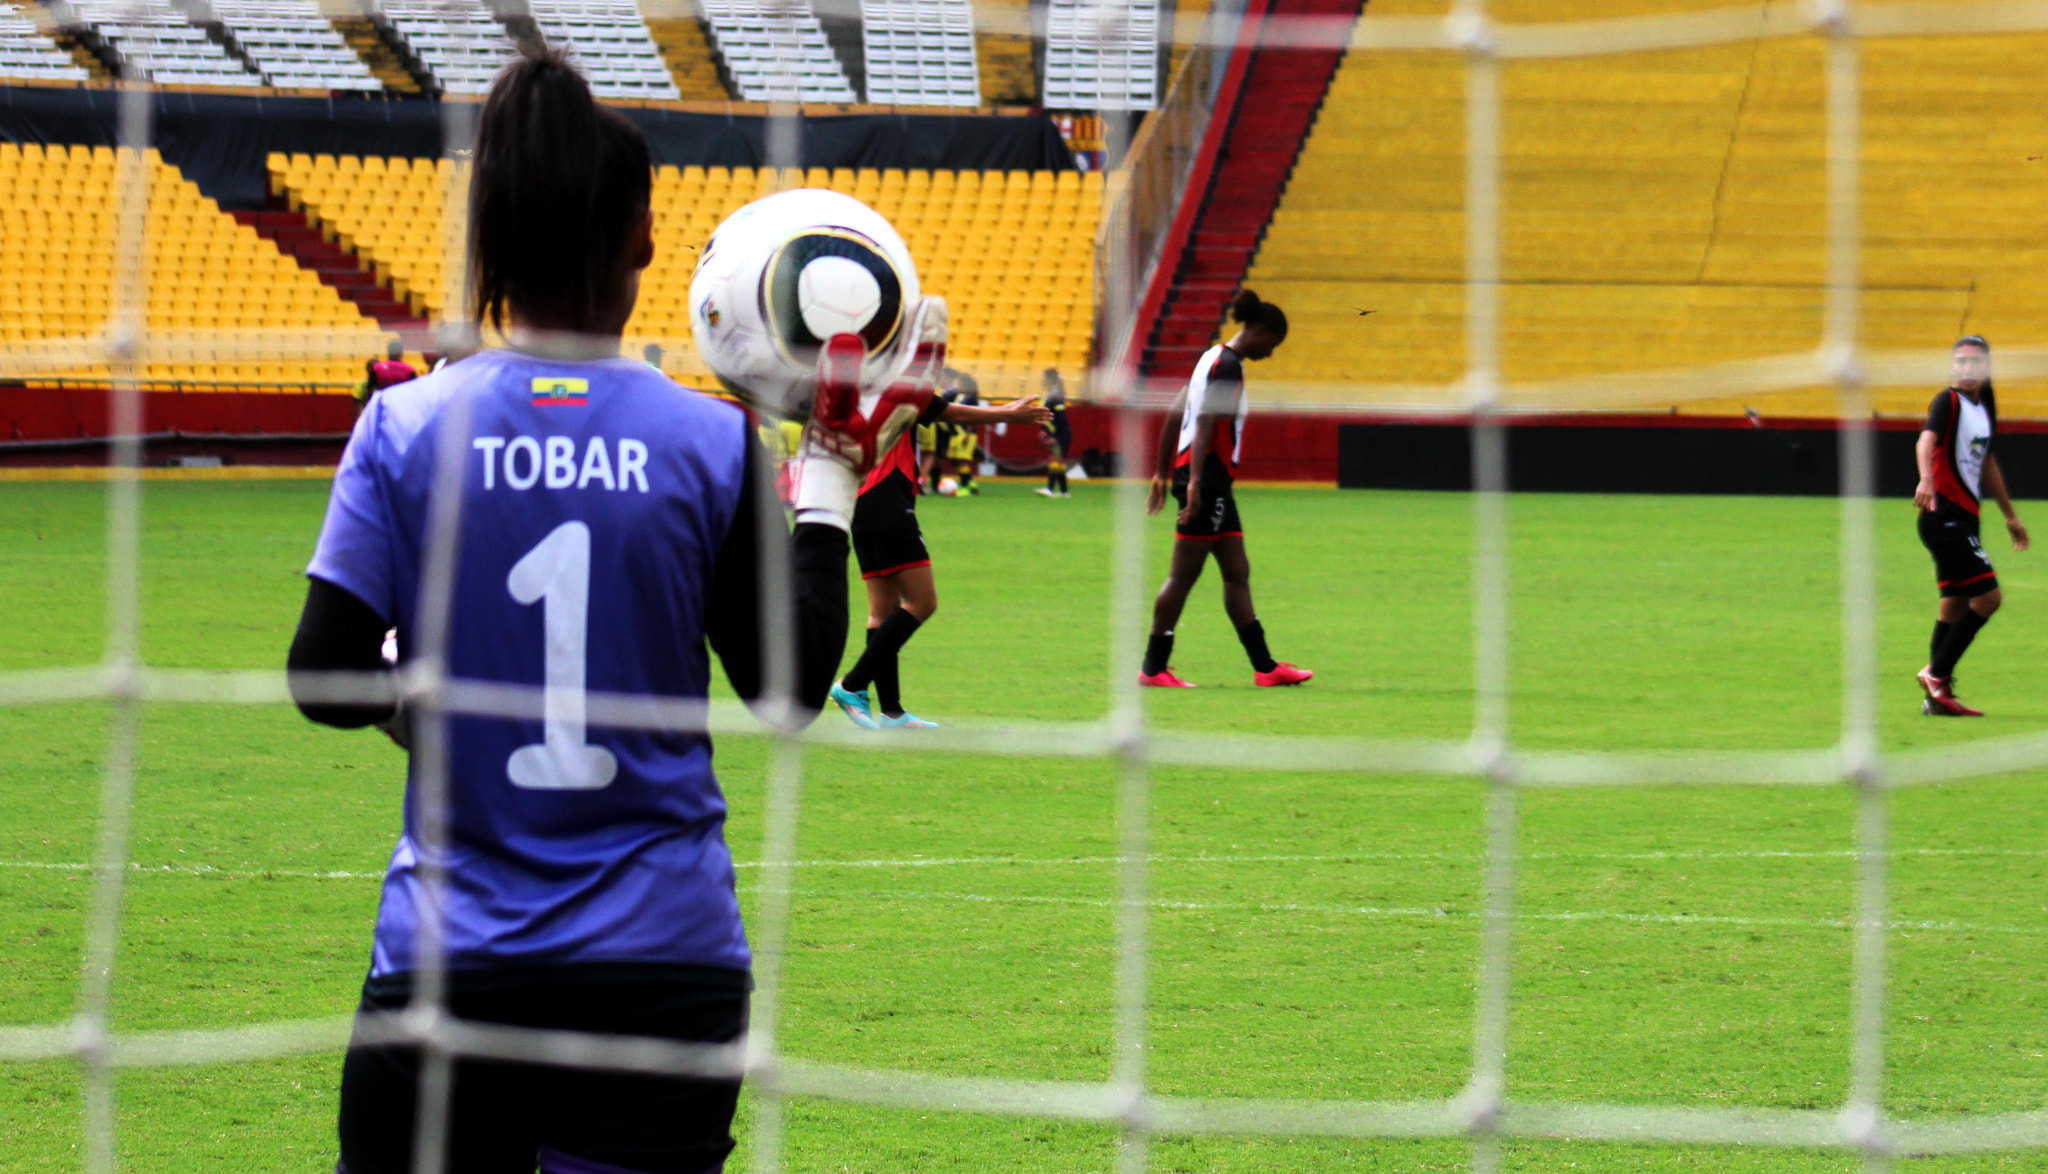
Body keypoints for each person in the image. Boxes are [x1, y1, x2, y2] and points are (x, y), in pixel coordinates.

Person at [286, 53, 865, 1174]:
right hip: (659, 964)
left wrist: (418, 691)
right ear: (647, 242)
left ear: (490, 235)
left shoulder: (404, 425)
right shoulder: (708, 442)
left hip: (453, 963)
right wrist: (832, 477)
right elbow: (788, 692)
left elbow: (323, 673)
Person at [831, 388, 1050, 728]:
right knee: (922, 602)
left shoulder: (856, 387)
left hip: (860, 499)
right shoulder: (898, 383)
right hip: (889, 498)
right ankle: (853, 684)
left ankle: (892, 713)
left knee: (882, 612)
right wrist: (1005, 413)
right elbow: (949, 412)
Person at [1140, 289, 1312, 689]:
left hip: (1208, 479)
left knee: (1237, 572)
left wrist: (1161, 474)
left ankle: (1265, 668)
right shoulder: (1229, 366)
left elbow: (1174, 410)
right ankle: (1152, 669)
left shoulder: (1208, 358)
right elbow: (1203, 421)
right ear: (1261, 332)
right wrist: (1196, 482)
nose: (1272, 352)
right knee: (1182, 576)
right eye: (1274, 344)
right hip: (1207, 480)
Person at [1914, 335, 2027, 716]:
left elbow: (1987, 463)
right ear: (1951, 367)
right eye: (1960, 362)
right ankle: (1936, 674)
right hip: (1941, 514)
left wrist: (2009, 515)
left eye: (1974, 363)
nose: (1966, 369)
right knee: (1989, 598)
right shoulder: (1948, 401)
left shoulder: (1984, 408)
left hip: (1962, 518)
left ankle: (1937, 699)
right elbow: (1926, 439)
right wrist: (1925, 479)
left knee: (1954, 603)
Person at [1036, 367, 1072, 498]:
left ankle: (1050, 488)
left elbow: (1060, 418)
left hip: (1062, 432)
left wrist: (1056, 437)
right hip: (1058, 432)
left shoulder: (1056, 395)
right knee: (1059, 461)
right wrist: (1044, 431)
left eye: (1044, 377)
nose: (1042, 380)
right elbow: (1049, 417)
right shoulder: (1051, 394)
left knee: (1055, 459)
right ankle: (1064, 491)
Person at [357, 340, 417, 413]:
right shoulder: (409, 370)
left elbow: (369, 390)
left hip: (383, 407)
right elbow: (414, 393)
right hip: (401, 408)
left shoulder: (377, 368)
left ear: (388, 352)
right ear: (401, 353)